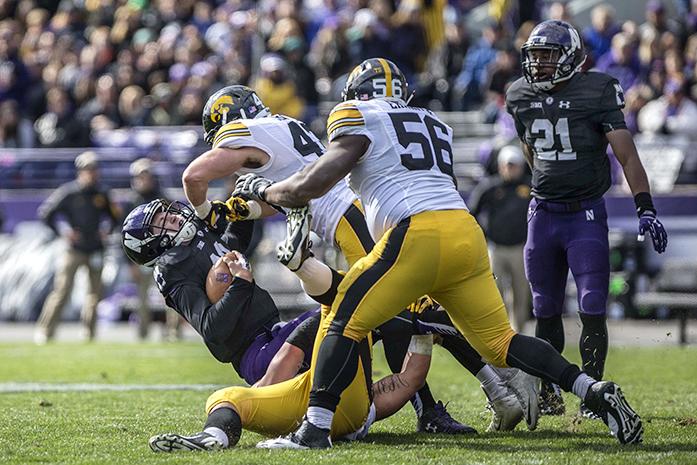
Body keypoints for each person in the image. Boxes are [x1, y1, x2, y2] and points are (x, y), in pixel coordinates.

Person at [233, 57, 644, 448]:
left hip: (415, 232)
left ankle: (316, 428)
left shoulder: (358, 116)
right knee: (502, 342)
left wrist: (263, 189)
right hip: (463, 232)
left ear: (357, 92)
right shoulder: (432, 121)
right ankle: (593, 389)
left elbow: (309, 187)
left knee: (342, 321)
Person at [185, 84, 522, 434]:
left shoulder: (246, 132)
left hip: (351, 219)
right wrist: (248, 208)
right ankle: (487, 390)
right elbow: (287, 194)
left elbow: (194, 175)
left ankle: (492, 385)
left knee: (404, 314)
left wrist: (205, 212)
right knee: (403, 313)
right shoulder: (279, 128)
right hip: (352, 218)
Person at [505, 20, 667, 417]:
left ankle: (593, 391)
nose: (540, 63)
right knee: (544, 307)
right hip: (544, 212)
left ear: (571, 58)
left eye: (548, 55)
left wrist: (644, 206)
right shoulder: (520, 94)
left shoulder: (596, 90)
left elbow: (626, 154)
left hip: (585, 213)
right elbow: (530, 150)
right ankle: (549, 392)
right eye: (536, 55)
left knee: (593, 302)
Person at [35, 151, 119, 343]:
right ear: (80, 171)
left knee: (94, 295)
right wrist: (64, 232)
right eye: (88, 169)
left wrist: (106, 230)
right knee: (62, 290)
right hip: (74, 249)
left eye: (95, 169)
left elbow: (115, 217)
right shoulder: (69, 192)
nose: (92, 173)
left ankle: (89, 333)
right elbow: (46, 214)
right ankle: (45, 331)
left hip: (96, 248)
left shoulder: (103, 193)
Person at [468, 145, 531, 333]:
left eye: (515, 165)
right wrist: (483, 236)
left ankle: (519, 333)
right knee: (496, 293)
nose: (511, 169)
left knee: (521, 293)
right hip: (496, 248)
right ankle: (500, 333)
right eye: (508, 165)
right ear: (501, 166)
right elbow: (472, 213)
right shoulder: (490, 187)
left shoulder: (529, 187)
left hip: (520, 247)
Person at [122, 158, 182, 341]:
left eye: (146, 176)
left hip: (165, 254)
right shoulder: (130, 202)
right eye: (140, 176)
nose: (144, 180)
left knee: (173, 294)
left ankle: (173, 331)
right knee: (142, 297)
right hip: (143, 256)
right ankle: (142, 332)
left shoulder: (163, 200)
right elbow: (123, 236)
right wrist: (129, 263)